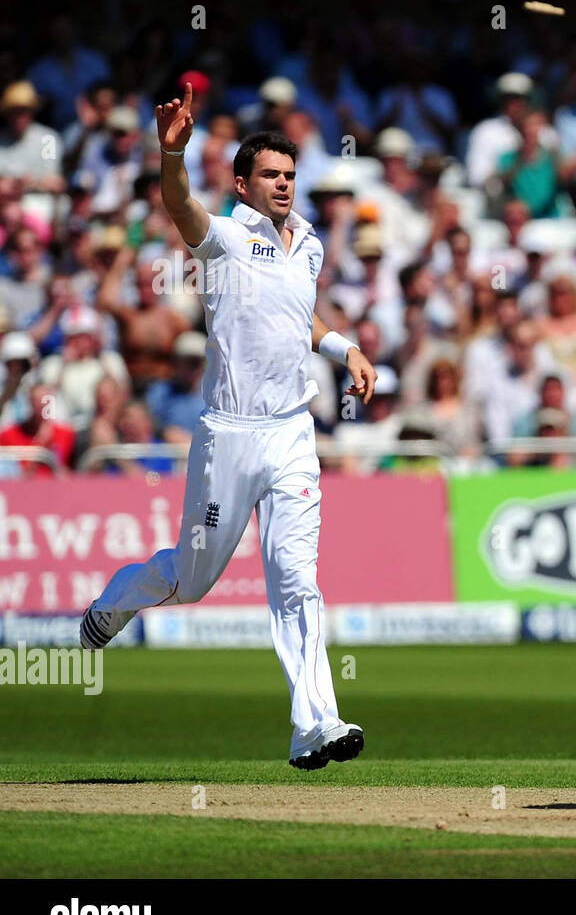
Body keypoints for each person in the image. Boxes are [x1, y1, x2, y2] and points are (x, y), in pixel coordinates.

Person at [78, 82, 379, 773]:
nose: (283, 185)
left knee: (295, 578)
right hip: (229, 434)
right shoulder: (226, 238)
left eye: (290, 175)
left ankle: (316, 724)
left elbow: (301, 318)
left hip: (292, 434)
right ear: (243, 184)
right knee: (192, 578)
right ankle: (116, 601)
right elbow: (180, 205)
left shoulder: (307, 243)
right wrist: (172, 152)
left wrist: (347, 349)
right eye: (270, 175)